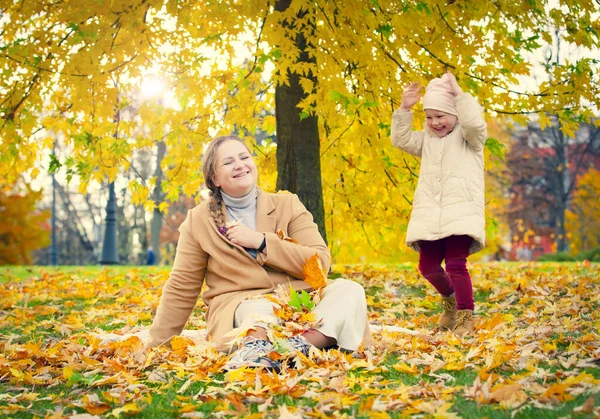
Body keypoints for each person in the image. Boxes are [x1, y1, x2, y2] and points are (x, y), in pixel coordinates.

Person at [147, 135, 372, 370]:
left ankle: (297, 347)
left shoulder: (287, 204)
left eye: (244, 157)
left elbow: (320, 264)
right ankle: (255, 350)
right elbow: (182, 286)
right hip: (240, 305)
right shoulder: (198, 220)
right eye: (229, 162)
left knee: (349, 290)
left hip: (298, 303)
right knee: (259, 309)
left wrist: (263, 242)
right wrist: (156, 345)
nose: (240, 164)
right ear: (215, 178)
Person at [391, 71, 487, 336]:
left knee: (456, 264)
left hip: (460, 212)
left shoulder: (470, 140)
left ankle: (466, 316)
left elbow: (474, 125)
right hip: (431, 215)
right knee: (428, 267)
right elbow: (401, 140)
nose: (434, 123)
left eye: (440, 116)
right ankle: (451, 303)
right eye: (429, 117)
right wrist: (405, 108)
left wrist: (460, 98)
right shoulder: (427, 141)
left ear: (455, 114)